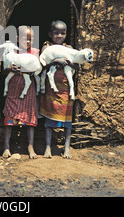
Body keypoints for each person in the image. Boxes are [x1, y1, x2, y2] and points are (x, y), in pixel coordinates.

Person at [39, 20, 78, 159]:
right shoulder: (47, 47)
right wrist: (55, 62)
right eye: (56, 33)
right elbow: (41, 64)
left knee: (67, 119)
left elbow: (77, 66)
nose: (59, 36)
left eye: (63, 33)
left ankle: (66, 147)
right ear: (50, 34)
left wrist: (69, 63)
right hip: (51, 89)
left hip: (66, 89)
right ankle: (48, 147)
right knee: (49, 118)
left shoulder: (69, 48)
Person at [2, 26, 39, 159]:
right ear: (17, 38)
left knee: (29, 115)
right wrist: (10, 68)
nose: (28, 42)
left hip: (28, 89)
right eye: (25, 38)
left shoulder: (34, 52)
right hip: (13, 87)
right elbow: (4, 70)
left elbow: (36, 69)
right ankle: (6, 145)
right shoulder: (11, 51)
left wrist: (23, 68)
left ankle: (30, 146)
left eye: (31, 39)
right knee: (10, 115)